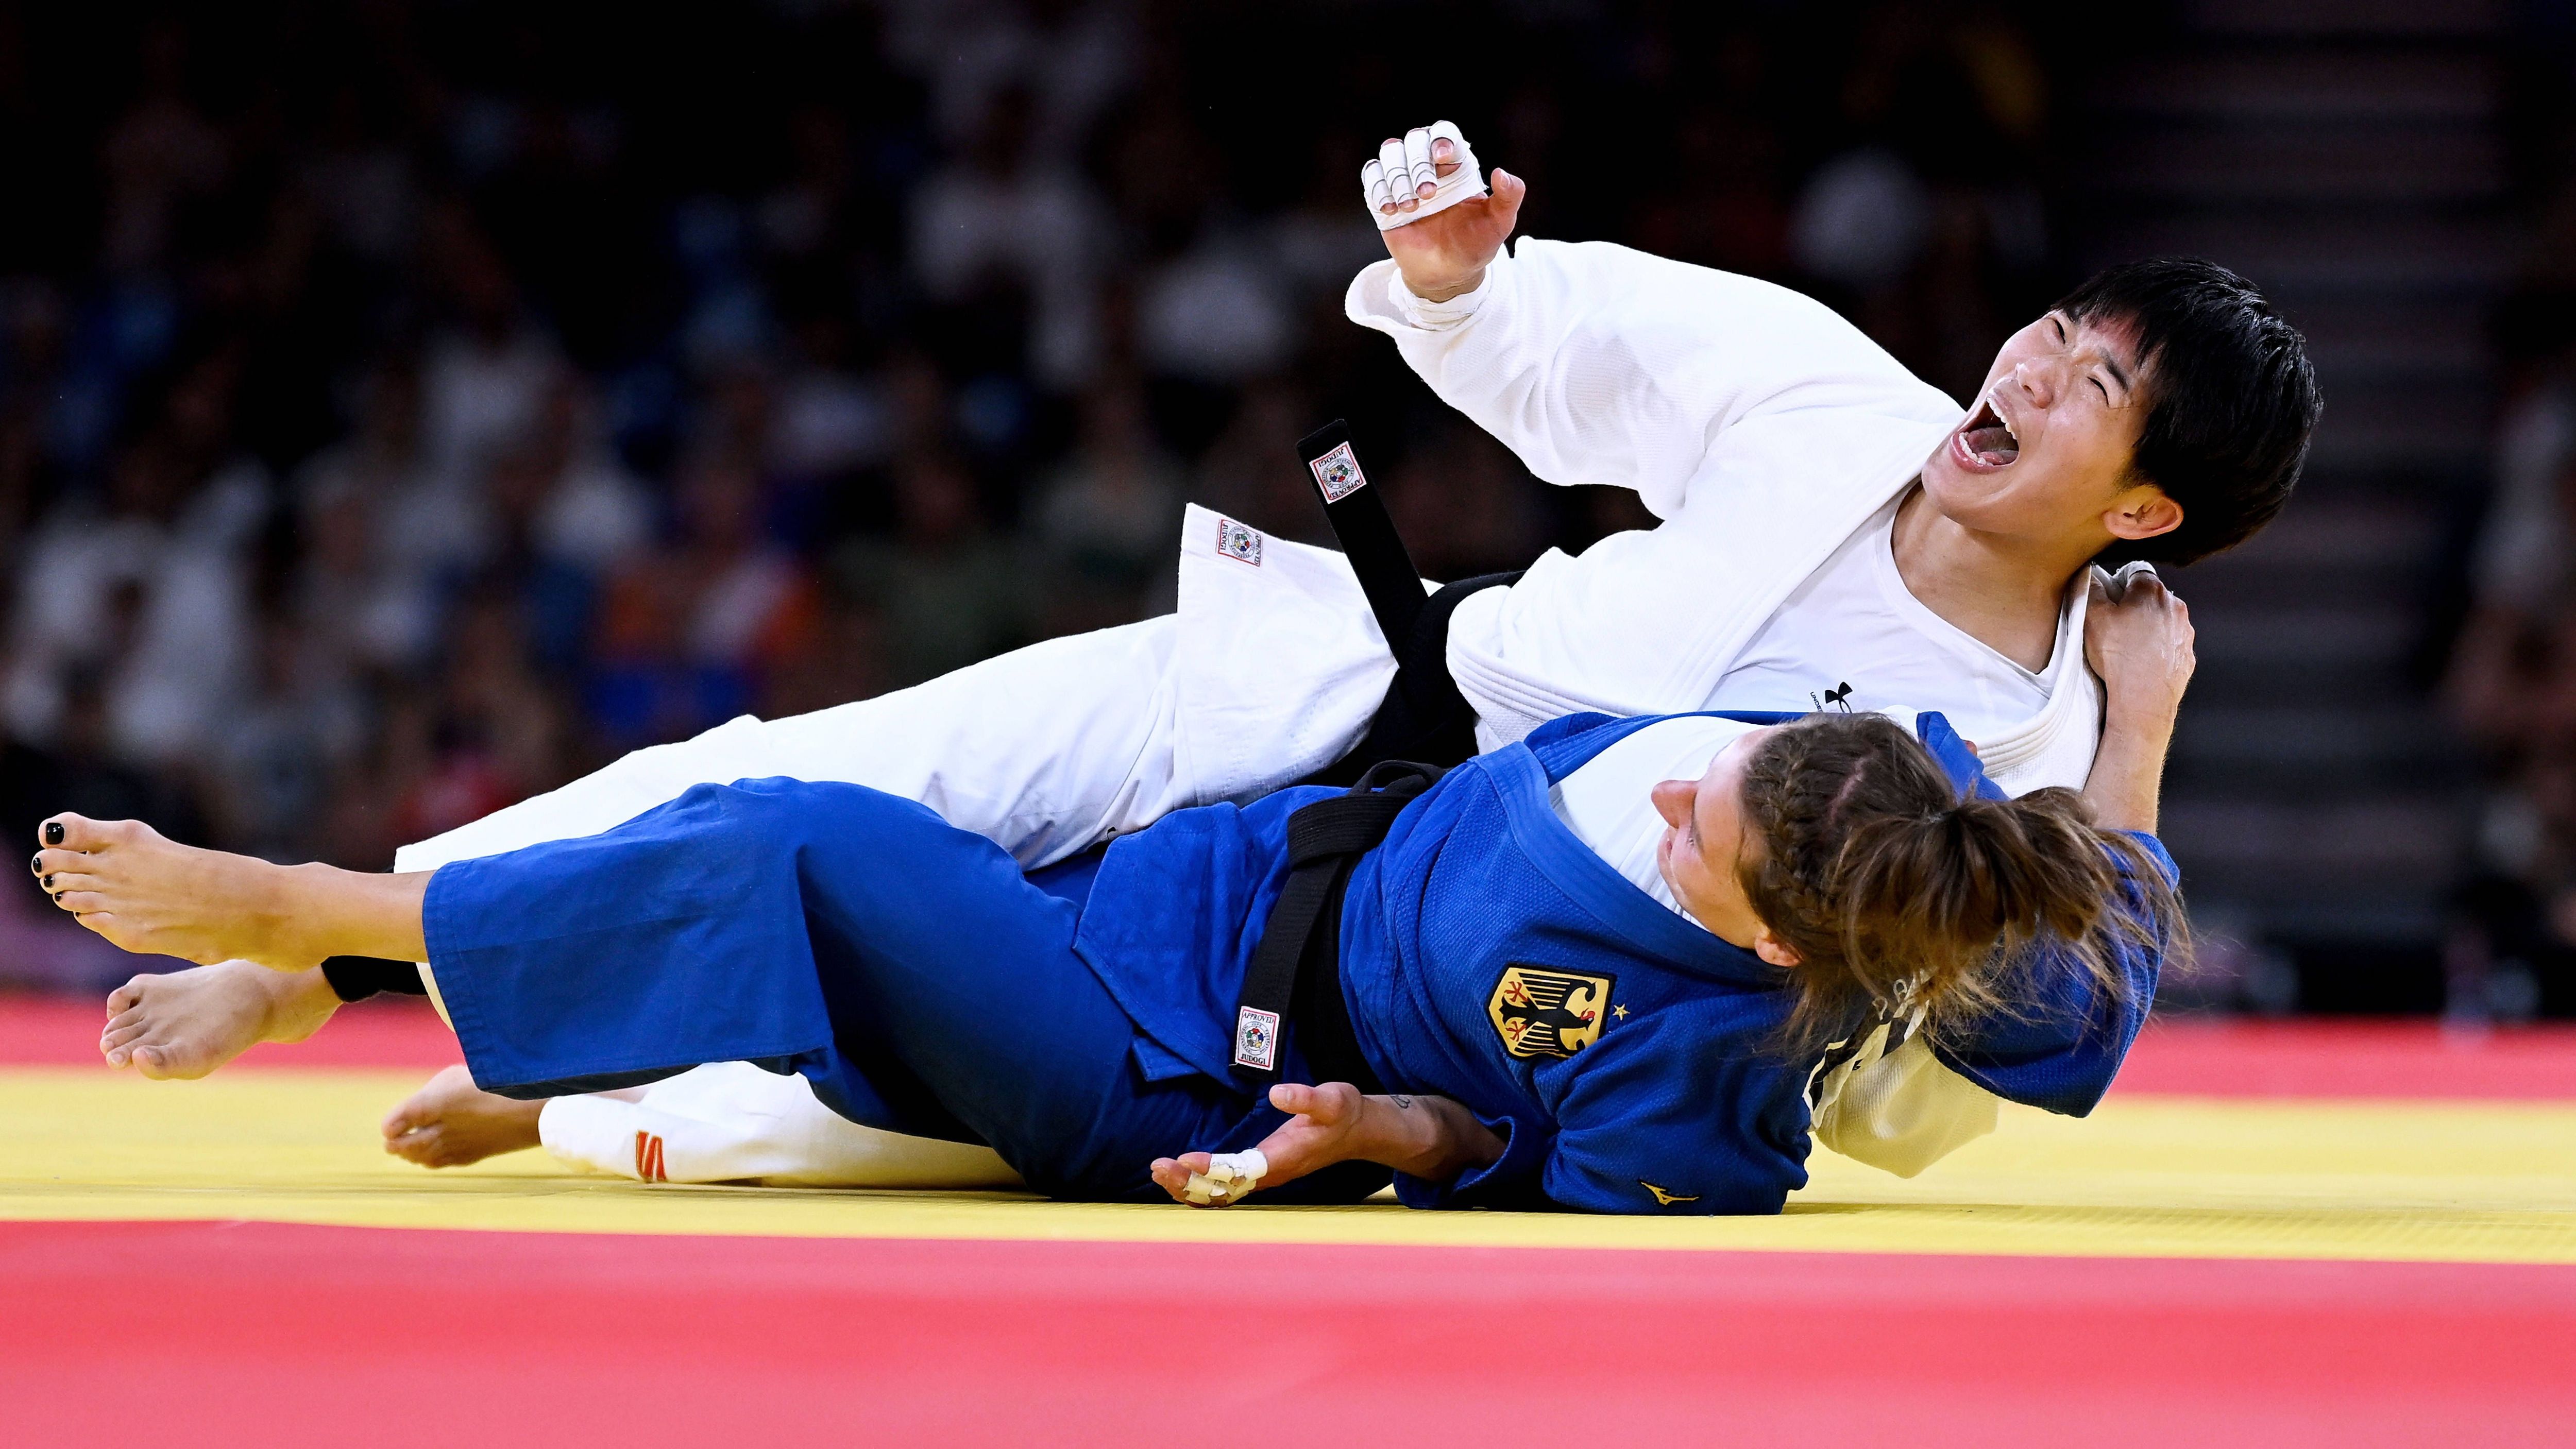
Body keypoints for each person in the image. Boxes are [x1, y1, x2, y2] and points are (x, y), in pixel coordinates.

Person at [92, 122, 2312, 1187]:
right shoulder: (1827, 387)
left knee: (795, 1126)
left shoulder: (2009, 747)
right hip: (1348, 709)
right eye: (2054, 324)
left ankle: (547, 1046)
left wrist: (2127, 745)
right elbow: (1567, 352)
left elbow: (1931, 1100)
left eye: (2089, 382)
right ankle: (343, 934)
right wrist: (1457, 279)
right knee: (825, 756)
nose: (2024, 361)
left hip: (1419, 953)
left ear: (2142, 507)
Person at [58, 584, 2186, 1211]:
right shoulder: (1856, 774)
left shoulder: (1713, 1070)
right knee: (828, 895)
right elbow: (2041, 875)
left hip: (1165, 1063)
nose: (1681, 792)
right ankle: (577, 1081)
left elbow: (1520, 1157)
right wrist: (2119, 707)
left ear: (1772, 947)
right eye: (1717, 766)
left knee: (815, 836)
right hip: (1185, 872)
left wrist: (1376, 1133)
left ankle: (310, 909)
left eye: (1705, 834)